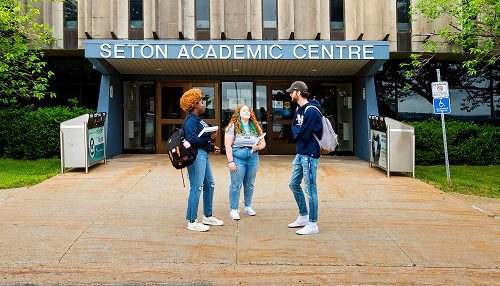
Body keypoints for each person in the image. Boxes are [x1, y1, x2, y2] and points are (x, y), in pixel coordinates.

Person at [180, 88, 224, 232]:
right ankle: (192, 221)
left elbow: (200, 138)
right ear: (194, 104)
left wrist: (211, 147)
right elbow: (192, 139)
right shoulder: (190, 120)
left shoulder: (197, 120)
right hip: (196, 156)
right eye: (200, 101)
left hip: (202, 155)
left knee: (209, 184)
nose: (203, 103)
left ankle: (207, 215)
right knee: (196, 187)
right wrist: (209, 139)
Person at [286, 81, 323, 235]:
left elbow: (305, 133)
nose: (289, 94)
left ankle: (313, 224)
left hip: (310, 154)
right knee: (293, 184)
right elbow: (294, 128)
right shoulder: (298, 110)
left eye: (291, 92)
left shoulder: (312, 110)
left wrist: (299, 133)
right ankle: (303, 216)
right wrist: (298, 132)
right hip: (300, 153)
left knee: (310, 189)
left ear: (298, 92)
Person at [224, 104, 266, 220]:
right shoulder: (233, 126)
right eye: (244, 110)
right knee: (236, 184)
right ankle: (233, 209)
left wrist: (258, 147)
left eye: (248, 110)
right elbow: (227, 145)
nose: (247, 112)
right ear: (238, 113)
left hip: (253, 157)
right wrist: (230, 161)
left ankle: (248, 206)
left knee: (250, 184)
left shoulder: (255, 126)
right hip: (238, 157)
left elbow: (263, 143)